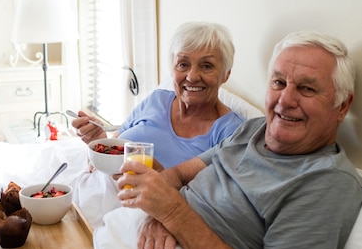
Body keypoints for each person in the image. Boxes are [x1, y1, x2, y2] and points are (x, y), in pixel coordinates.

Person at [116, 31, 362, 249]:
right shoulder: (254, 129)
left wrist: (172, 214)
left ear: (342, 106)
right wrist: (159, 217)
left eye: (307, 89)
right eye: (279, 83)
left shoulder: (327, 182)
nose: (285, 100)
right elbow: (180, 174)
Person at [71, 22, 245, 168]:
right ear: (171, 68)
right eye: (183, 64)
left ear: (226, 74)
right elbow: (116, 142)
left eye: (206, 66)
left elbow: (214, 200)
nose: (192, 77)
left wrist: (161, 178)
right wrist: (100, 142)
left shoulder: (233, 133)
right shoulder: (157, 100)